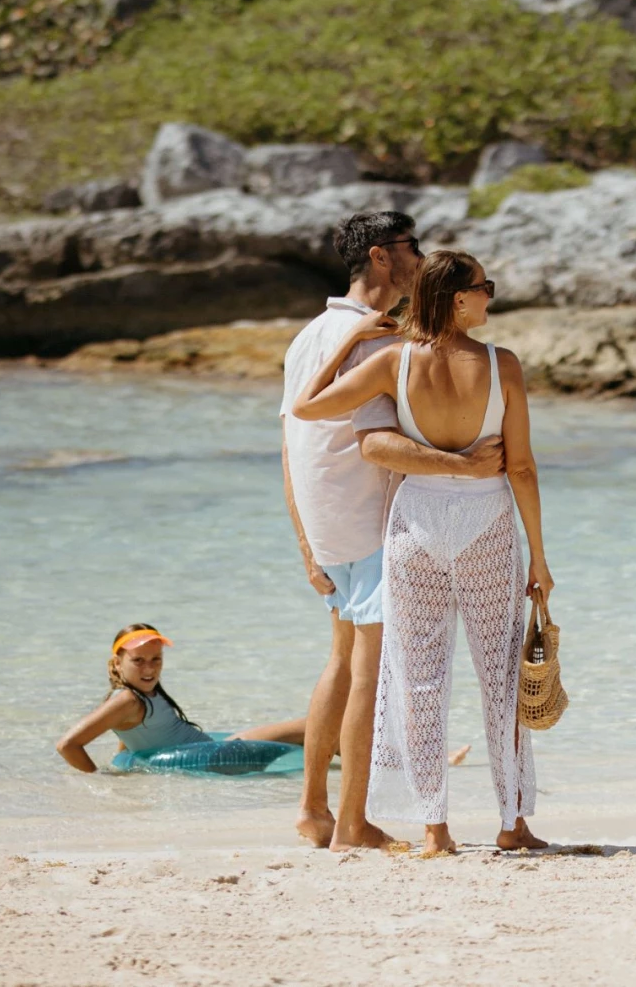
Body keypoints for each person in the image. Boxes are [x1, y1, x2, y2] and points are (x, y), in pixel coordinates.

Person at [292, 249, 552, 855]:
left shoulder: (391, 361)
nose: (491, 295)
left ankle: (435, 829)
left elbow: (307, 406)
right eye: (485, 287)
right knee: (503, 679)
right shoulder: (502, 364)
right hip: (487, 519)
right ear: (459, 298)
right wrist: (538, 557)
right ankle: (512, 823)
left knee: (420, 681)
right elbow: (523, 468)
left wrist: (352, 340)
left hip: (416, 524)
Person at [54, 623, 306, 772]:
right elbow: (67, 745)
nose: (149, 668)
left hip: (211, 750)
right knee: (309, 727)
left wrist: (124, 761)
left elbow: (127, 733)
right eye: (138, 661)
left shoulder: (140, 695)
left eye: (156, 659)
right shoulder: (127, 700)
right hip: (215, 758)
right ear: (118, 664)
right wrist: (100, 780)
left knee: (312, 728)